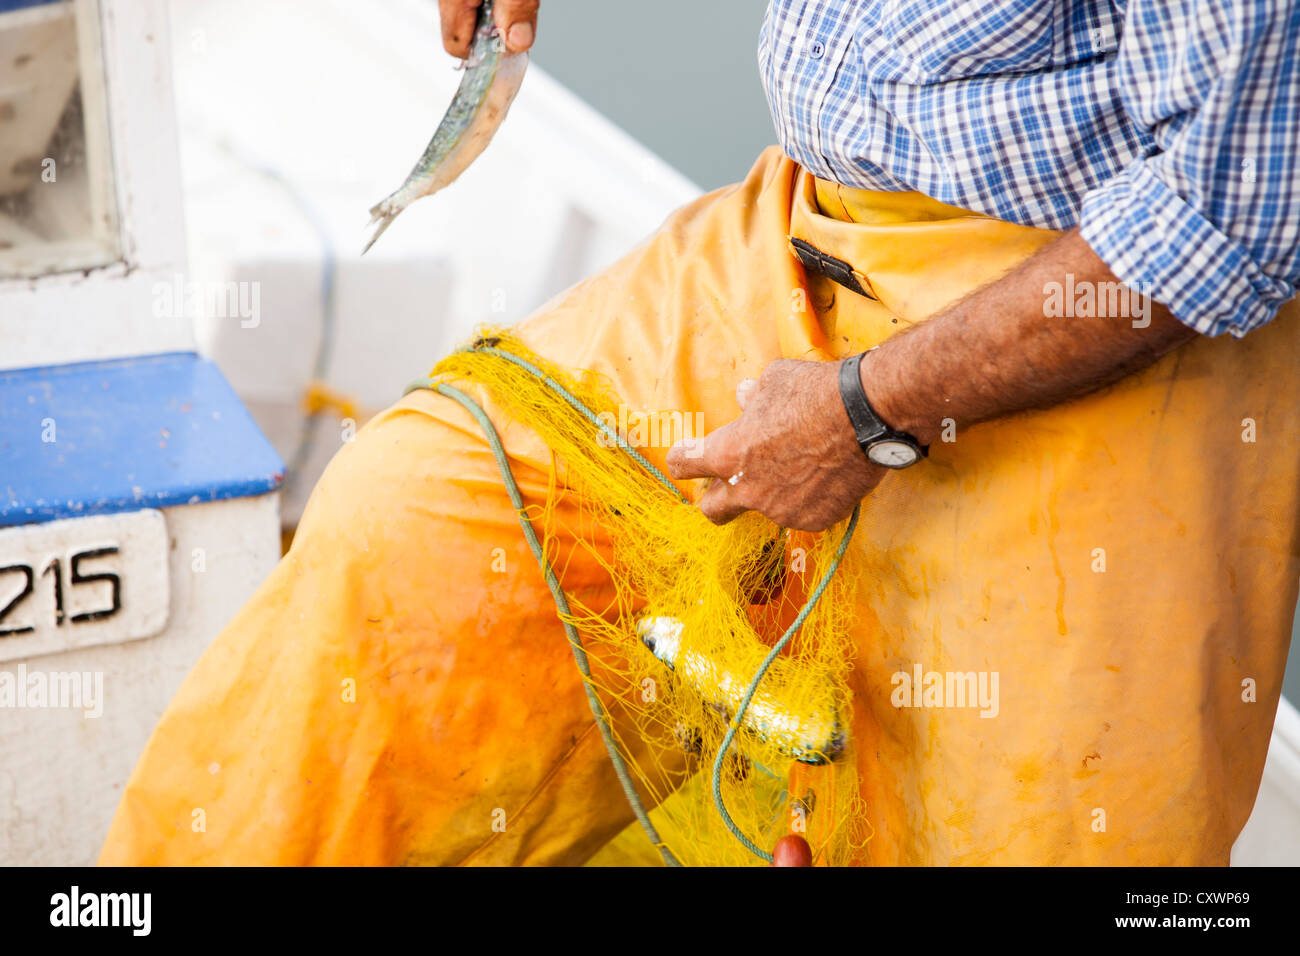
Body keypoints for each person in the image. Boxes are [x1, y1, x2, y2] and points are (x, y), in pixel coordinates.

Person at [101, 0, 1300, 865]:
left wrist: (866, 410)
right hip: (798, 224)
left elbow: (1231, 210)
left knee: (1003, 821)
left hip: (1087, 311)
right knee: (411, 525)